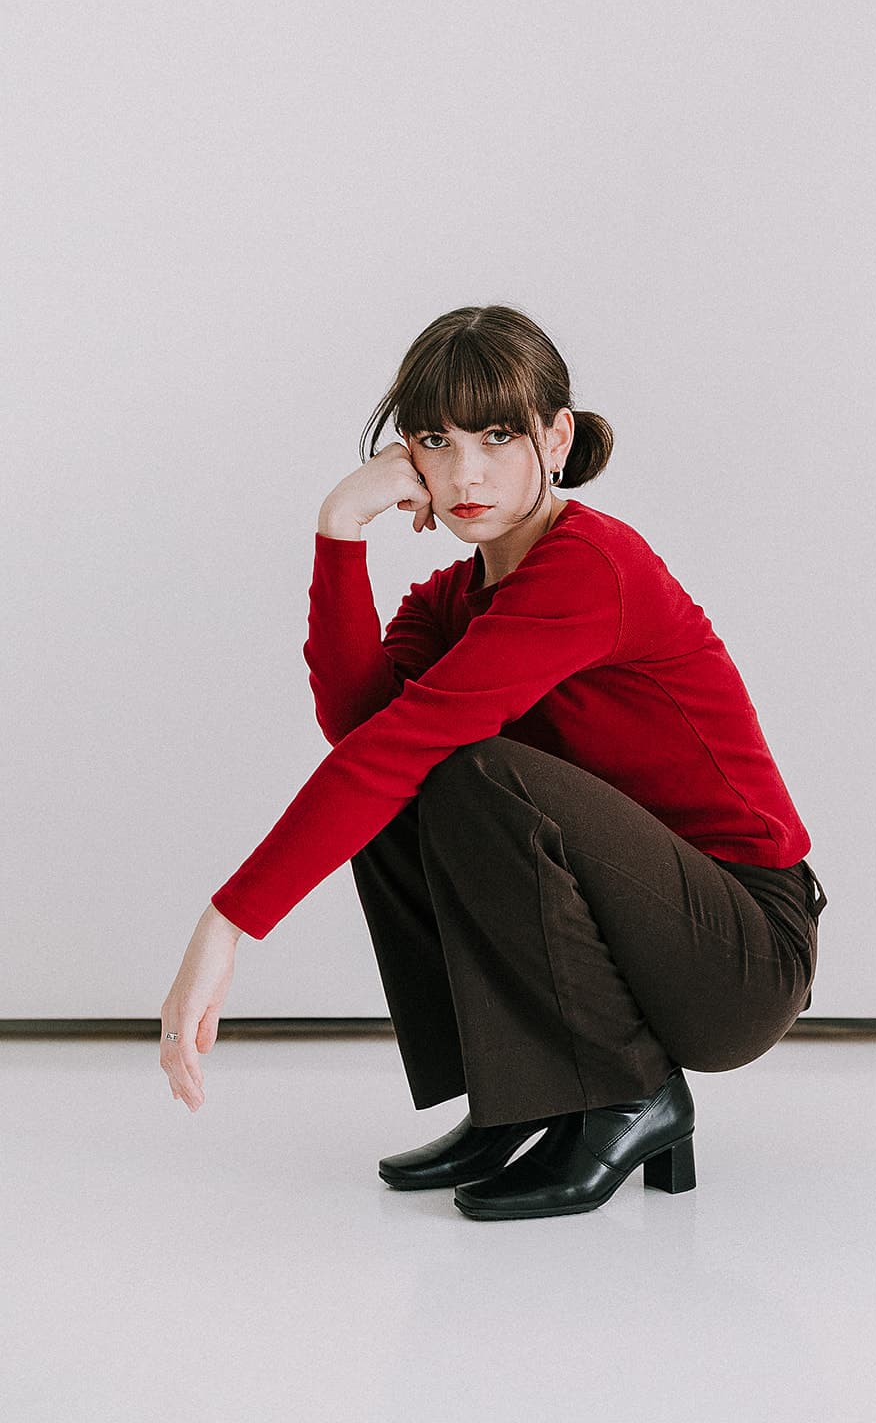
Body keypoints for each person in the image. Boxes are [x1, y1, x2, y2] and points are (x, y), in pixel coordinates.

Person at [160, 303, 828, 1221]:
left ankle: (632, 1096)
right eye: (437, 440)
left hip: (740, 949)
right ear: (408, 458)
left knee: (462, 765)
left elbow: (402, 746)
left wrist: (227, 924)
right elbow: (362, 734)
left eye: (499, 435)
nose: (465, 472)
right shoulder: (452, 596)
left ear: (556, 439)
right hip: (649, 929)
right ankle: (521, 1093)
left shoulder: (591, 567)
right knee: (405, 784)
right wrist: (340, 527)